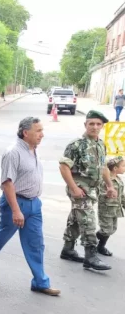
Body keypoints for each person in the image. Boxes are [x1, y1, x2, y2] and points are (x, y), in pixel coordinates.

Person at [0, 117, 60, 296]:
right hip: (16, 203)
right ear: (25, 132)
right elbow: (7, 183)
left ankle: (40, 281)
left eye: (42, 131)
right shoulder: (13, 152)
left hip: (34, 204)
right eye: (38, 131)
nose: (42, 135)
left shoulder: (33, 150)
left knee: (36, 243)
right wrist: (15, 210)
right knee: (1, 237)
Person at [59, 110, 116, 271]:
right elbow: (64, 168)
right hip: (79, 190)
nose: (95, 127)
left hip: (92, 190)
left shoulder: (101, 144)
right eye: (91, 124)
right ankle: (90, 255)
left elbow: (103, 167)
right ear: (85, 125)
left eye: (98, 124)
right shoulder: (76, 145)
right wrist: (74, 188)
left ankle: (68, 249)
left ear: (102, 126)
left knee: (76, 219)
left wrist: (110, 186)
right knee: (88, 220)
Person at [96, 156, 125, 256]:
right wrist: (107, 194)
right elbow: (98, 194)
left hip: (115, 210)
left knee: (112, 229)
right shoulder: (106, 180)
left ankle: (97, 242)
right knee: (106, 229)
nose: (124, 168)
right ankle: (99, 245)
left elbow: (121, 195)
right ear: (115, 168)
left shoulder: (118, 179)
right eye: (123, 166)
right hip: (106, 209)